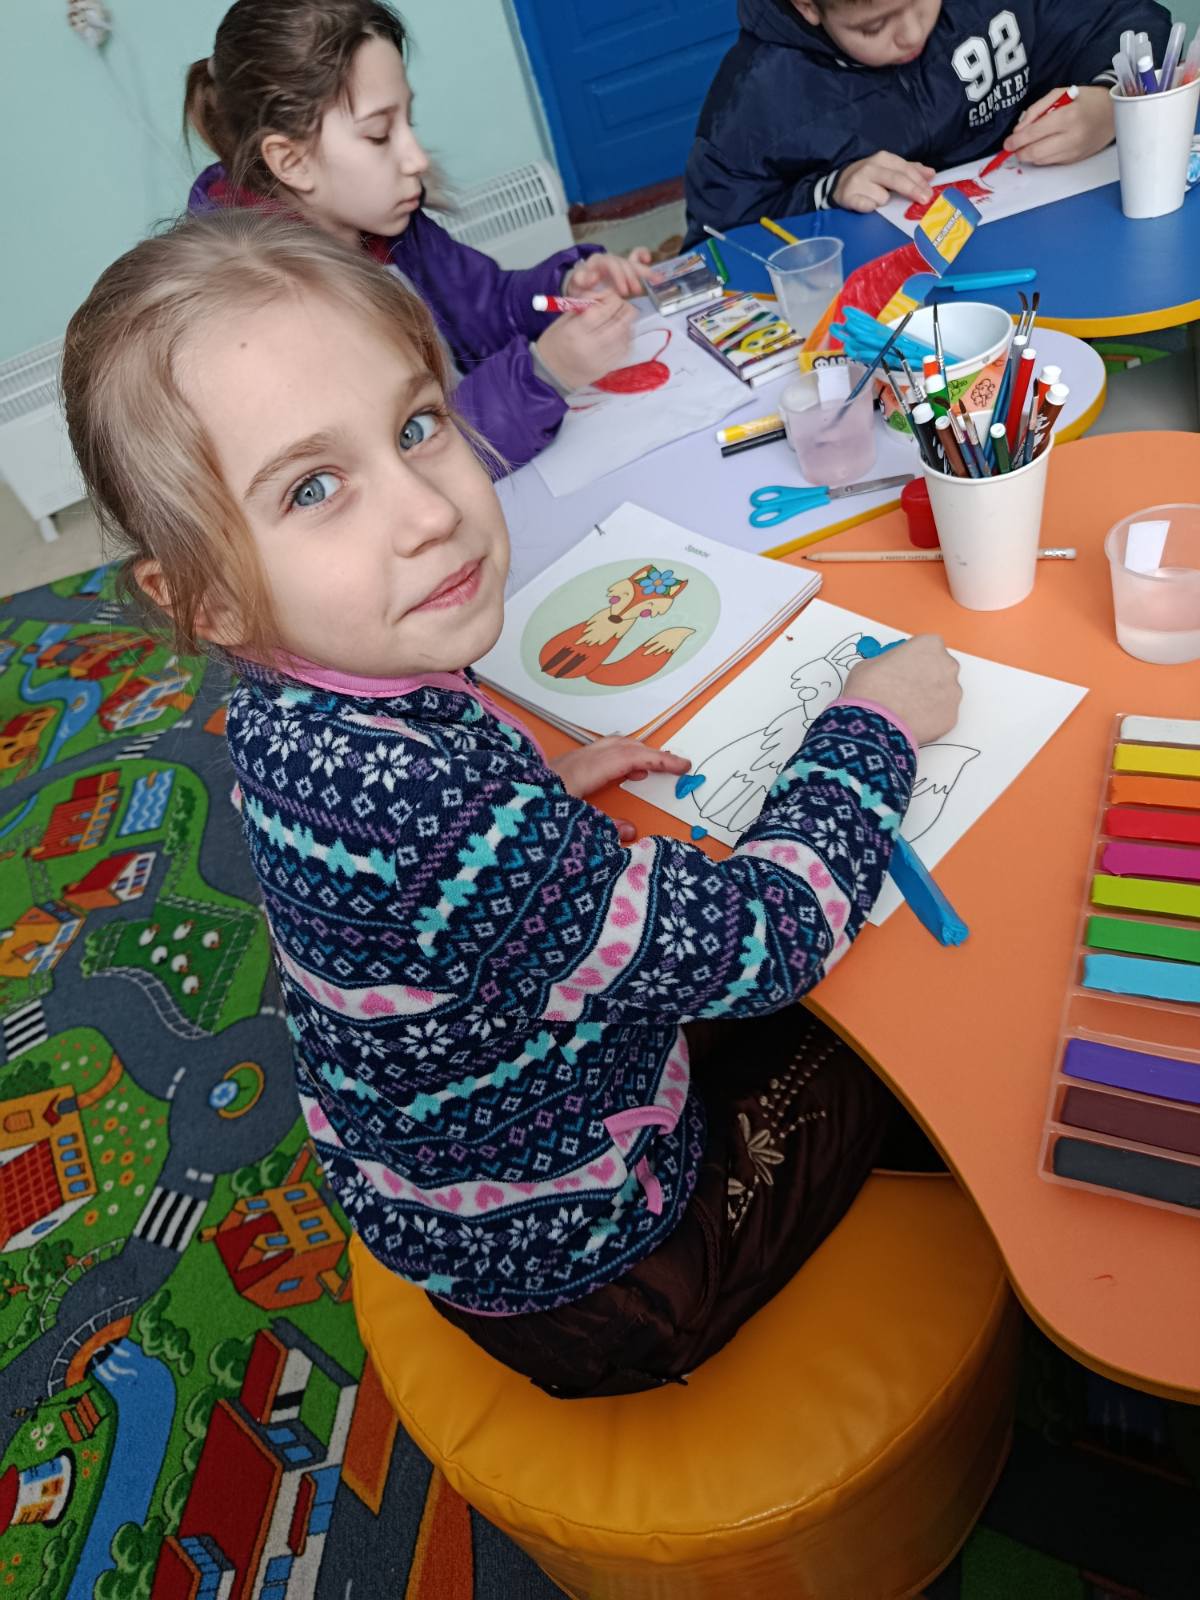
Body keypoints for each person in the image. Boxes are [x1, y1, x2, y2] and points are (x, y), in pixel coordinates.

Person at [62, 210, 961, 1399]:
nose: (430, 510)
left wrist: (535, 794)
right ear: (206, 600)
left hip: (453, 1177)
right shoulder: (432, 812)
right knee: (899, 1057)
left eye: (416, 426)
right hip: (597, 1275)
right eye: (315, 487)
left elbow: (424, 873)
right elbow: (769, 937)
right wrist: (872, 726)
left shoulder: (297, 698)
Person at [186, 0, 651, 471]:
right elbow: (406, 468)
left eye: (408, 122)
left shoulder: (392, 226)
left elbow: (487, 306)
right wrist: (543, 374)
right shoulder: (270, 321)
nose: (417, 159)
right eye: (379, 134)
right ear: (291, 161)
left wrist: (562, 289)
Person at [685, 0, 1171, 235]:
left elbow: (1128, 18)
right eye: (874, 26)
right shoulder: (760, 95)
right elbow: (719, 235)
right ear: (807, 6)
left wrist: (1110, 100)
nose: (910, 33)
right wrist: (827, 191)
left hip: (1056, 231)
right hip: (897, 316)